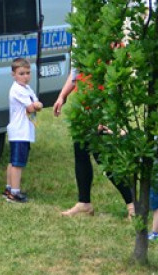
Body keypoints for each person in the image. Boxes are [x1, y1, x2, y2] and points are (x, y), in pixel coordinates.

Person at [52, 67, 135, 217]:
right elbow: (75, 73)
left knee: (104, 157)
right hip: (83, 109)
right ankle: (84, 203)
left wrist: (102, 114)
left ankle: (132, 205)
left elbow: (114, 79)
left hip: (101, 109)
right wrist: (62, 96)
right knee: (81, 152)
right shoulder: (81, 47)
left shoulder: (110, 45)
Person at [4, 57, 43, 203]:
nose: (25, 76)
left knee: (13, 161)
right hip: (19, 131)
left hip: (24, 131)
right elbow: (32, 107)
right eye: (21, 73)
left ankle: (9, 188)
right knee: (18, 163)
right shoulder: (17, 90)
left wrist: (36, 103)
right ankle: (14, 192)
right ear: (13, 75)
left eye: (28, 73)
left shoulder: (26, 88)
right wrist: (38, 105)